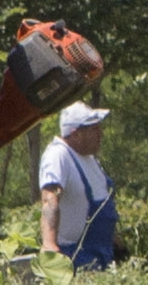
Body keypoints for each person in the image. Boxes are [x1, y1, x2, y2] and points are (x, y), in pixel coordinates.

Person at [38, 103, 118, 270]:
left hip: (102, 256)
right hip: (75, 257)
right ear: (76, 134)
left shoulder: (90, 159)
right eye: (93, 130)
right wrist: (49, 245)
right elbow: (49, 198)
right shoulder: (58, 155)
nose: (100, 134)